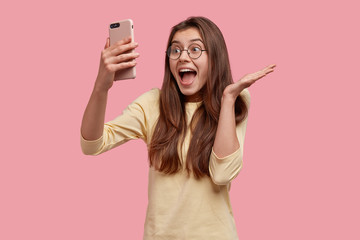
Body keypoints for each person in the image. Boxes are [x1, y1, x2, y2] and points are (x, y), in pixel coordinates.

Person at [81, 16, 275, 240]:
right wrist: (101, 87)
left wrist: (229, 98)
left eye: (195, 49)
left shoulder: (236, 100)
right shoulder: (153, 104)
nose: (183, 57)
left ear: (215, 57)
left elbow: (222, 173)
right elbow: (92, 144)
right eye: (175, 50)